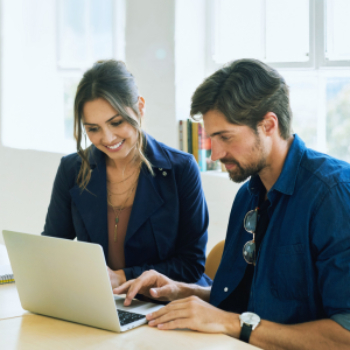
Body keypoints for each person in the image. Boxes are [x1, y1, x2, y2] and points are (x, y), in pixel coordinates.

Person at [114, 59, 350, 349]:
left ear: (268, 125)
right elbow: (245, 302)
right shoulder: (248, 194)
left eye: (225, 137)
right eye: (211, 138)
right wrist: (179, 291)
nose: (215, 154)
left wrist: (229, 323)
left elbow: (344, 336)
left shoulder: (333, 195)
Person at [42, 60, 211, 288]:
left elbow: (191, 265)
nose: (108, 138)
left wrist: (123, 276)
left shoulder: (180, 170)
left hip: (164, 304)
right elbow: (53, 248)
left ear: (140, 108)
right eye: (93, 129)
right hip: (105, 302)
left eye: (117, 122)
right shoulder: (72, 169)